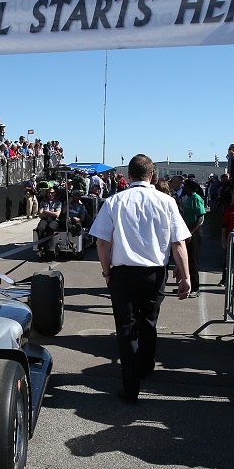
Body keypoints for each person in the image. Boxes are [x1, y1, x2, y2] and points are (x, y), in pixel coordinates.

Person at [89, 154, 191, 402]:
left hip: (123, 272)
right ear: (152, 176)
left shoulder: (114, 201)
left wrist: (106, 272)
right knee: (148, 323)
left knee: (126, 328)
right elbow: (178, 243)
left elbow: (102, 242)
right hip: (154, 272)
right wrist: (185, 276)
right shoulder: (167, 202)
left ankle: (131, 385)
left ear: (128, 175)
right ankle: (146, 367)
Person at [179, 178, 206, 297]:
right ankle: (187, 286)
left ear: (190, 188)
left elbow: (200, 216)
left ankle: (196, 287)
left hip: (194, 231)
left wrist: (191, 232)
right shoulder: (190, 199)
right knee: (187, 260)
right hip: (189, 230)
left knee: (192, 261)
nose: (183, 189)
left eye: (185, 187)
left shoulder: (196, 198)